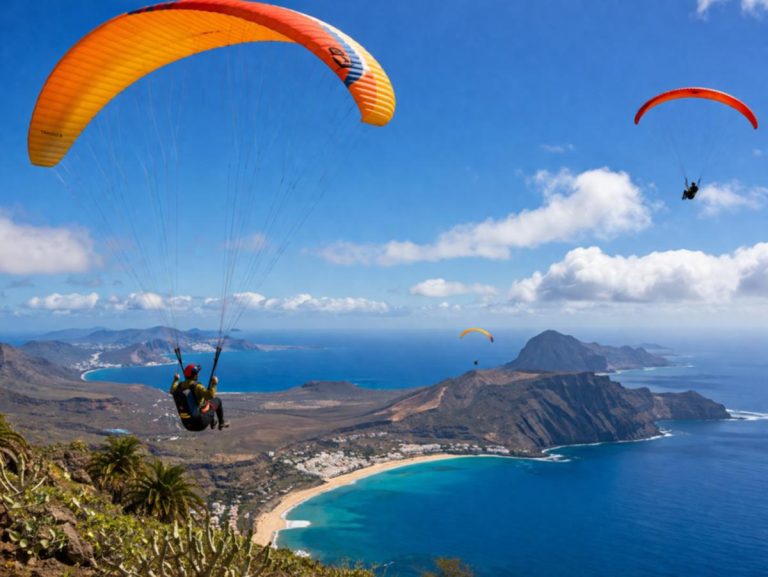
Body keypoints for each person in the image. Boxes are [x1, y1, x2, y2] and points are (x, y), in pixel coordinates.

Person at [170, 364, 229, 431]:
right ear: (195, 375)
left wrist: (176, 380)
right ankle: (221, 423)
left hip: (187, 425)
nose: (198, 374)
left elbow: (172, 390)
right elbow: (210, 395)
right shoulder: (197, 386)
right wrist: (214, 384)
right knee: (217, 400)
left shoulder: (180, 386)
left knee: (207, 403)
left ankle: (212, 422)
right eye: (197, 373)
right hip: (200, 423)